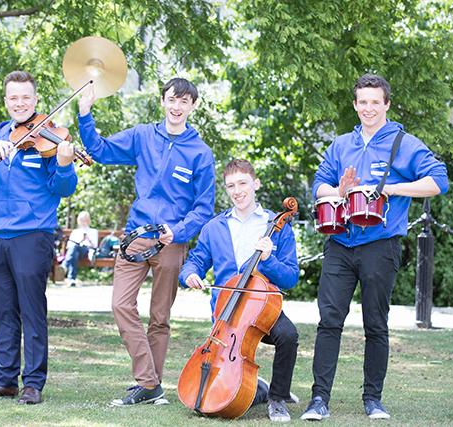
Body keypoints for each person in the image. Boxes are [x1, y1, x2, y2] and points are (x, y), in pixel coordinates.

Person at [301, 74, 449, 421]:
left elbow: (438, 182)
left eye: (375, 102)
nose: (368, 108)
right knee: (329, 322)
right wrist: (338, 191)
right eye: (362, 102)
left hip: (380, 245)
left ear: (386, 105)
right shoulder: (340, 145)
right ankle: (319, 400)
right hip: (339, 243)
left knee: (376, 324)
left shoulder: (405, 144)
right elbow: (318, 186)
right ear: (355, 105)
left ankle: (373, 400)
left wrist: (393, 190)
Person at [77, 78, 216, 406]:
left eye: (184, 101)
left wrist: (179, 233)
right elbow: (99, 150)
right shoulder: (142, 135)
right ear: (163, 101)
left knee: (159, 317)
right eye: (172, 99)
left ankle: (148, 386)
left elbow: (203, 207)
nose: (177, 106)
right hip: (135, 235)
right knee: (120, 304)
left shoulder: (201, 152)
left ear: (193, 106)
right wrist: (85, 113)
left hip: (171, 242)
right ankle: (151, 383)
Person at [0, 71, 78, 405]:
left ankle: (33, 383)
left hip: (33, 234)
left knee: (31, 310)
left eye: (26, 97)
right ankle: (5, 379)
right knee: (2, 311)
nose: (20, 103)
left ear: (35, 99)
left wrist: (66, 164)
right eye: (14, 98)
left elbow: (63, 188)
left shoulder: (50, 139)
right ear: (6, 101)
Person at [179, 159, 300, 422]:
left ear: (255, 184)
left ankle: (277, 398)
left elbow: (291, 277)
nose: (237, 190)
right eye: (231, 185)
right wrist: (190, 274)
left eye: (243, 183)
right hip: (226, 313)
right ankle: (258, 389)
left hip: (261, 308)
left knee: (288, 335)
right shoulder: (214, 227)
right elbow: (197, 260)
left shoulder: (276, 225)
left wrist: (269, 260)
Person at [61, 211, 99, 286]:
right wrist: (80, 240)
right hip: (75, 251)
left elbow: (95, 246)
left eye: (85, 220)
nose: (83, 222)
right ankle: (72, 280)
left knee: (75, 247)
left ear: (88, 221)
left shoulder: (93, 231)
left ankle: (65, 264)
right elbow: (69, 245)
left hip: (87, 251)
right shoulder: (75, 232)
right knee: (75, 252)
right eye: (82, 220)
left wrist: (88, 239)